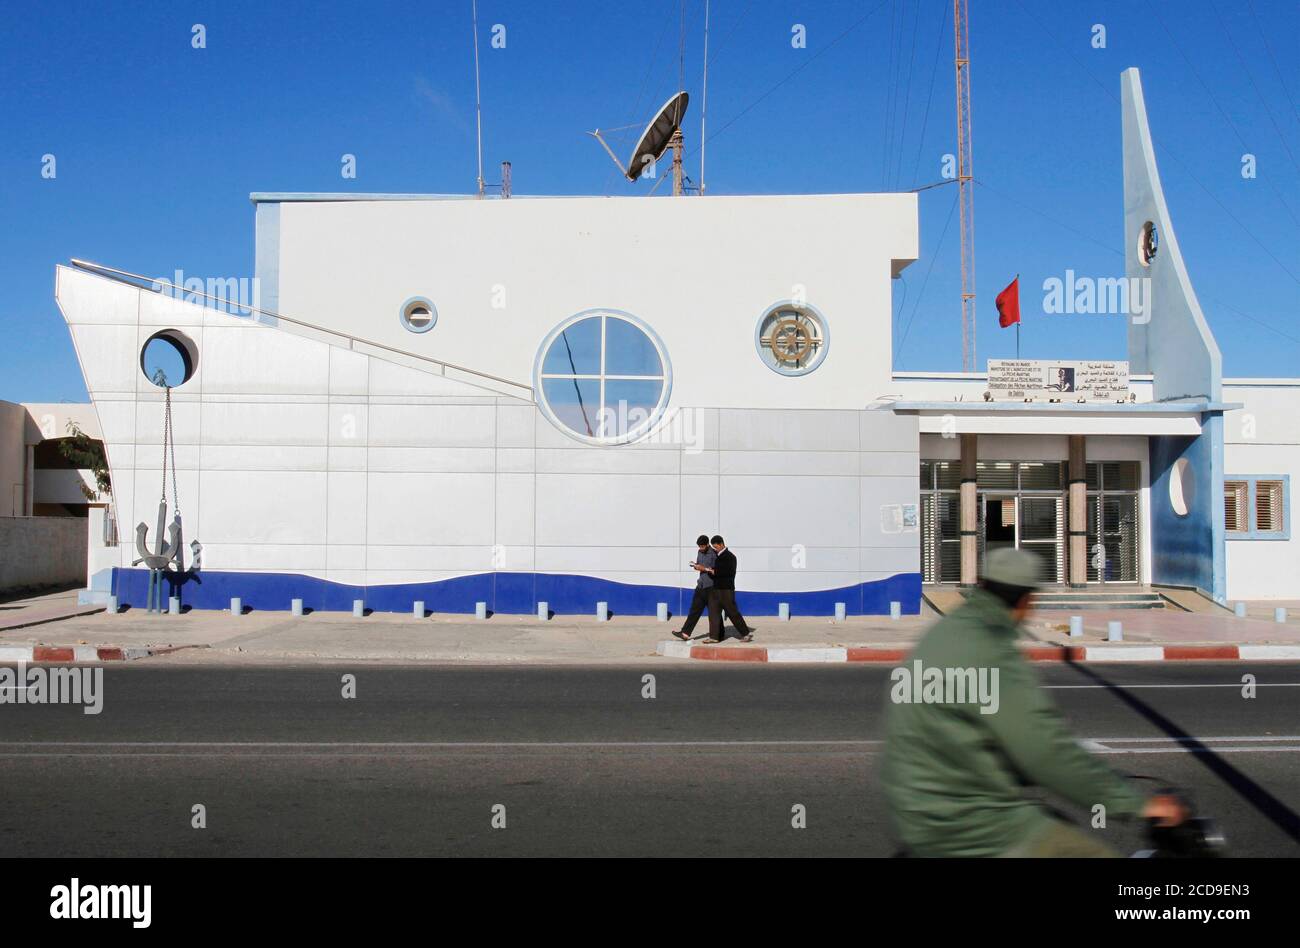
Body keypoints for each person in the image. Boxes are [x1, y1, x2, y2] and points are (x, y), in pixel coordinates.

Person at [881, 548, 1186, 857]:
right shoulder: (990, 650)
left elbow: (961, 729)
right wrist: (1137, 804)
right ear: (1028, 601)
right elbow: (1045, 751)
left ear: (980, 584)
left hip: (913, 812)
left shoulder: (945, 632)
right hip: (970, 825)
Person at [704, 535, 753, 643]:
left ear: (722, 544)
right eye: (714, 547)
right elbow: (716, 573)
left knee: (732, 612)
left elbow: (729, 573)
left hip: (726, 590)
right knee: (713, 613)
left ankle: (746, 633)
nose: (715, 549)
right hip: (715, 589)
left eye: (716, 547)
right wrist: (710, 571)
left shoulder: (730, 557)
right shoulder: (718, 557)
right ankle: (714, 637)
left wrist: (714, 571)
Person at [672, 535, 715, 641]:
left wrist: (703, 568)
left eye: (702, 546)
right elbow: (700, 565)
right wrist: (696, 566)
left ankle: (718, 634)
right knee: (694, 610)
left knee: (714, 613)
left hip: (711, 587)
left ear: (707, 544)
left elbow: (715, 571)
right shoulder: (699, 552)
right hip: (700, 585)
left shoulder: (714, 554)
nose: (700, 548)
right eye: (699, 546)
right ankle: (685, 633)